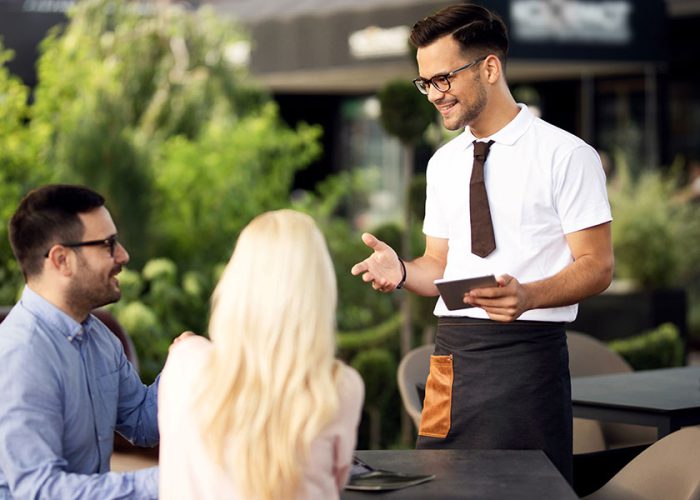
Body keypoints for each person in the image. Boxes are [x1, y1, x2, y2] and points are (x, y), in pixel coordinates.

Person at [351, 4, 613, 482]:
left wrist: (528, 295)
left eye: (443, 78)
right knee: (434, 481)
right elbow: (439, 264)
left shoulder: (568, 156)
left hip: (527, 358)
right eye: (425, 82)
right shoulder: (442, 164)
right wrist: (404, 271)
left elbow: (597, 266)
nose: (434, 94)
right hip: (449, 357)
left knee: (527, 490)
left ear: (489, 68)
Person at [158, 209, 364, 500]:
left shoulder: (184, 362)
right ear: (318, 288)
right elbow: (338, 479)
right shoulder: (339, 386)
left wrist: (191, 347)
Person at [0, 184, 163, 499]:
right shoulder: (20, 356)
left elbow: (143, 423)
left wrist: (190, 361)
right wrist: (167, 483)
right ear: (61, 260)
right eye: (108, 244)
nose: (123, 255)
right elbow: (42, 491)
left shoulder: (98, 336)